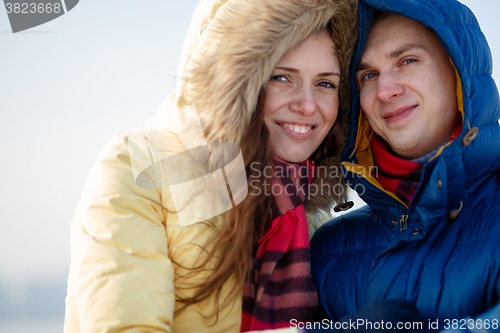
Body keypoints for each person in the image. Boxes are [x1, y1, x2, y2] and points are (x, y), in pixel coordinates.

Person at [63, 0, 358, 332]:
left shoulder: (309, 213)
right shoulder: (137, 168)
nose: (307, 105)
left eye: (326, 84)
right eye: (281, 77)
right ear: (235, 83)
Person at [311, 0, 500, 331]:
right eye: (368, 75)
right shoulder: (329, 250)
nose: (385, 90)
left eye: (408, 60)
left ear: (458, 71)